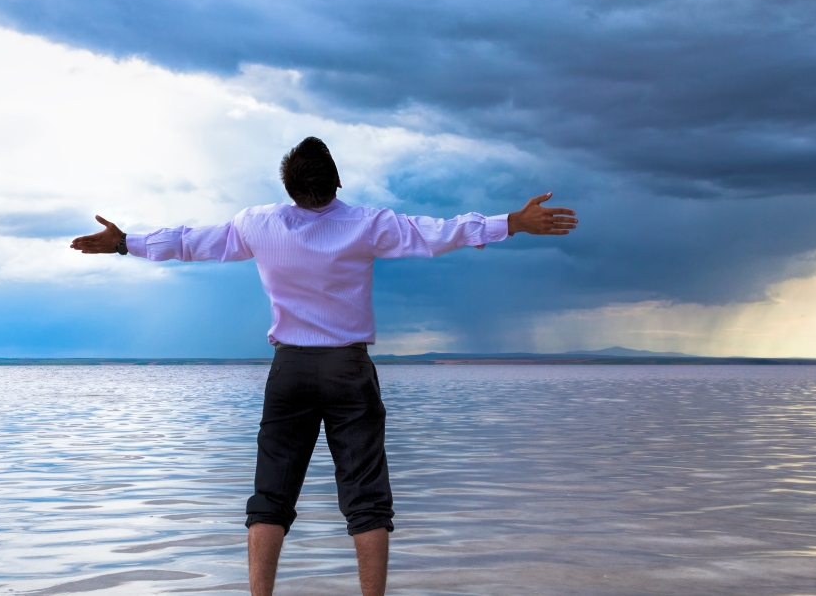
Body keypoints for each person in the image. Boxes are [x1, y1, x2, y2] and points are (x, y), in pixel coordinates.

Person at [69, 136, 578, 596]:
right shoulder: (368, 224)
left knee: (271, 494)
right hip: (347, 370)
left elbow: (189, 242)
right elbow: (436, 234)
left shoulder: (258, 224)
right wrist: (510, 222)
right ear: (337, 181)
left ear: (288, 188)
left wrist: (124, 242)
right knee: (366, 495)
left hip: (289, 370)